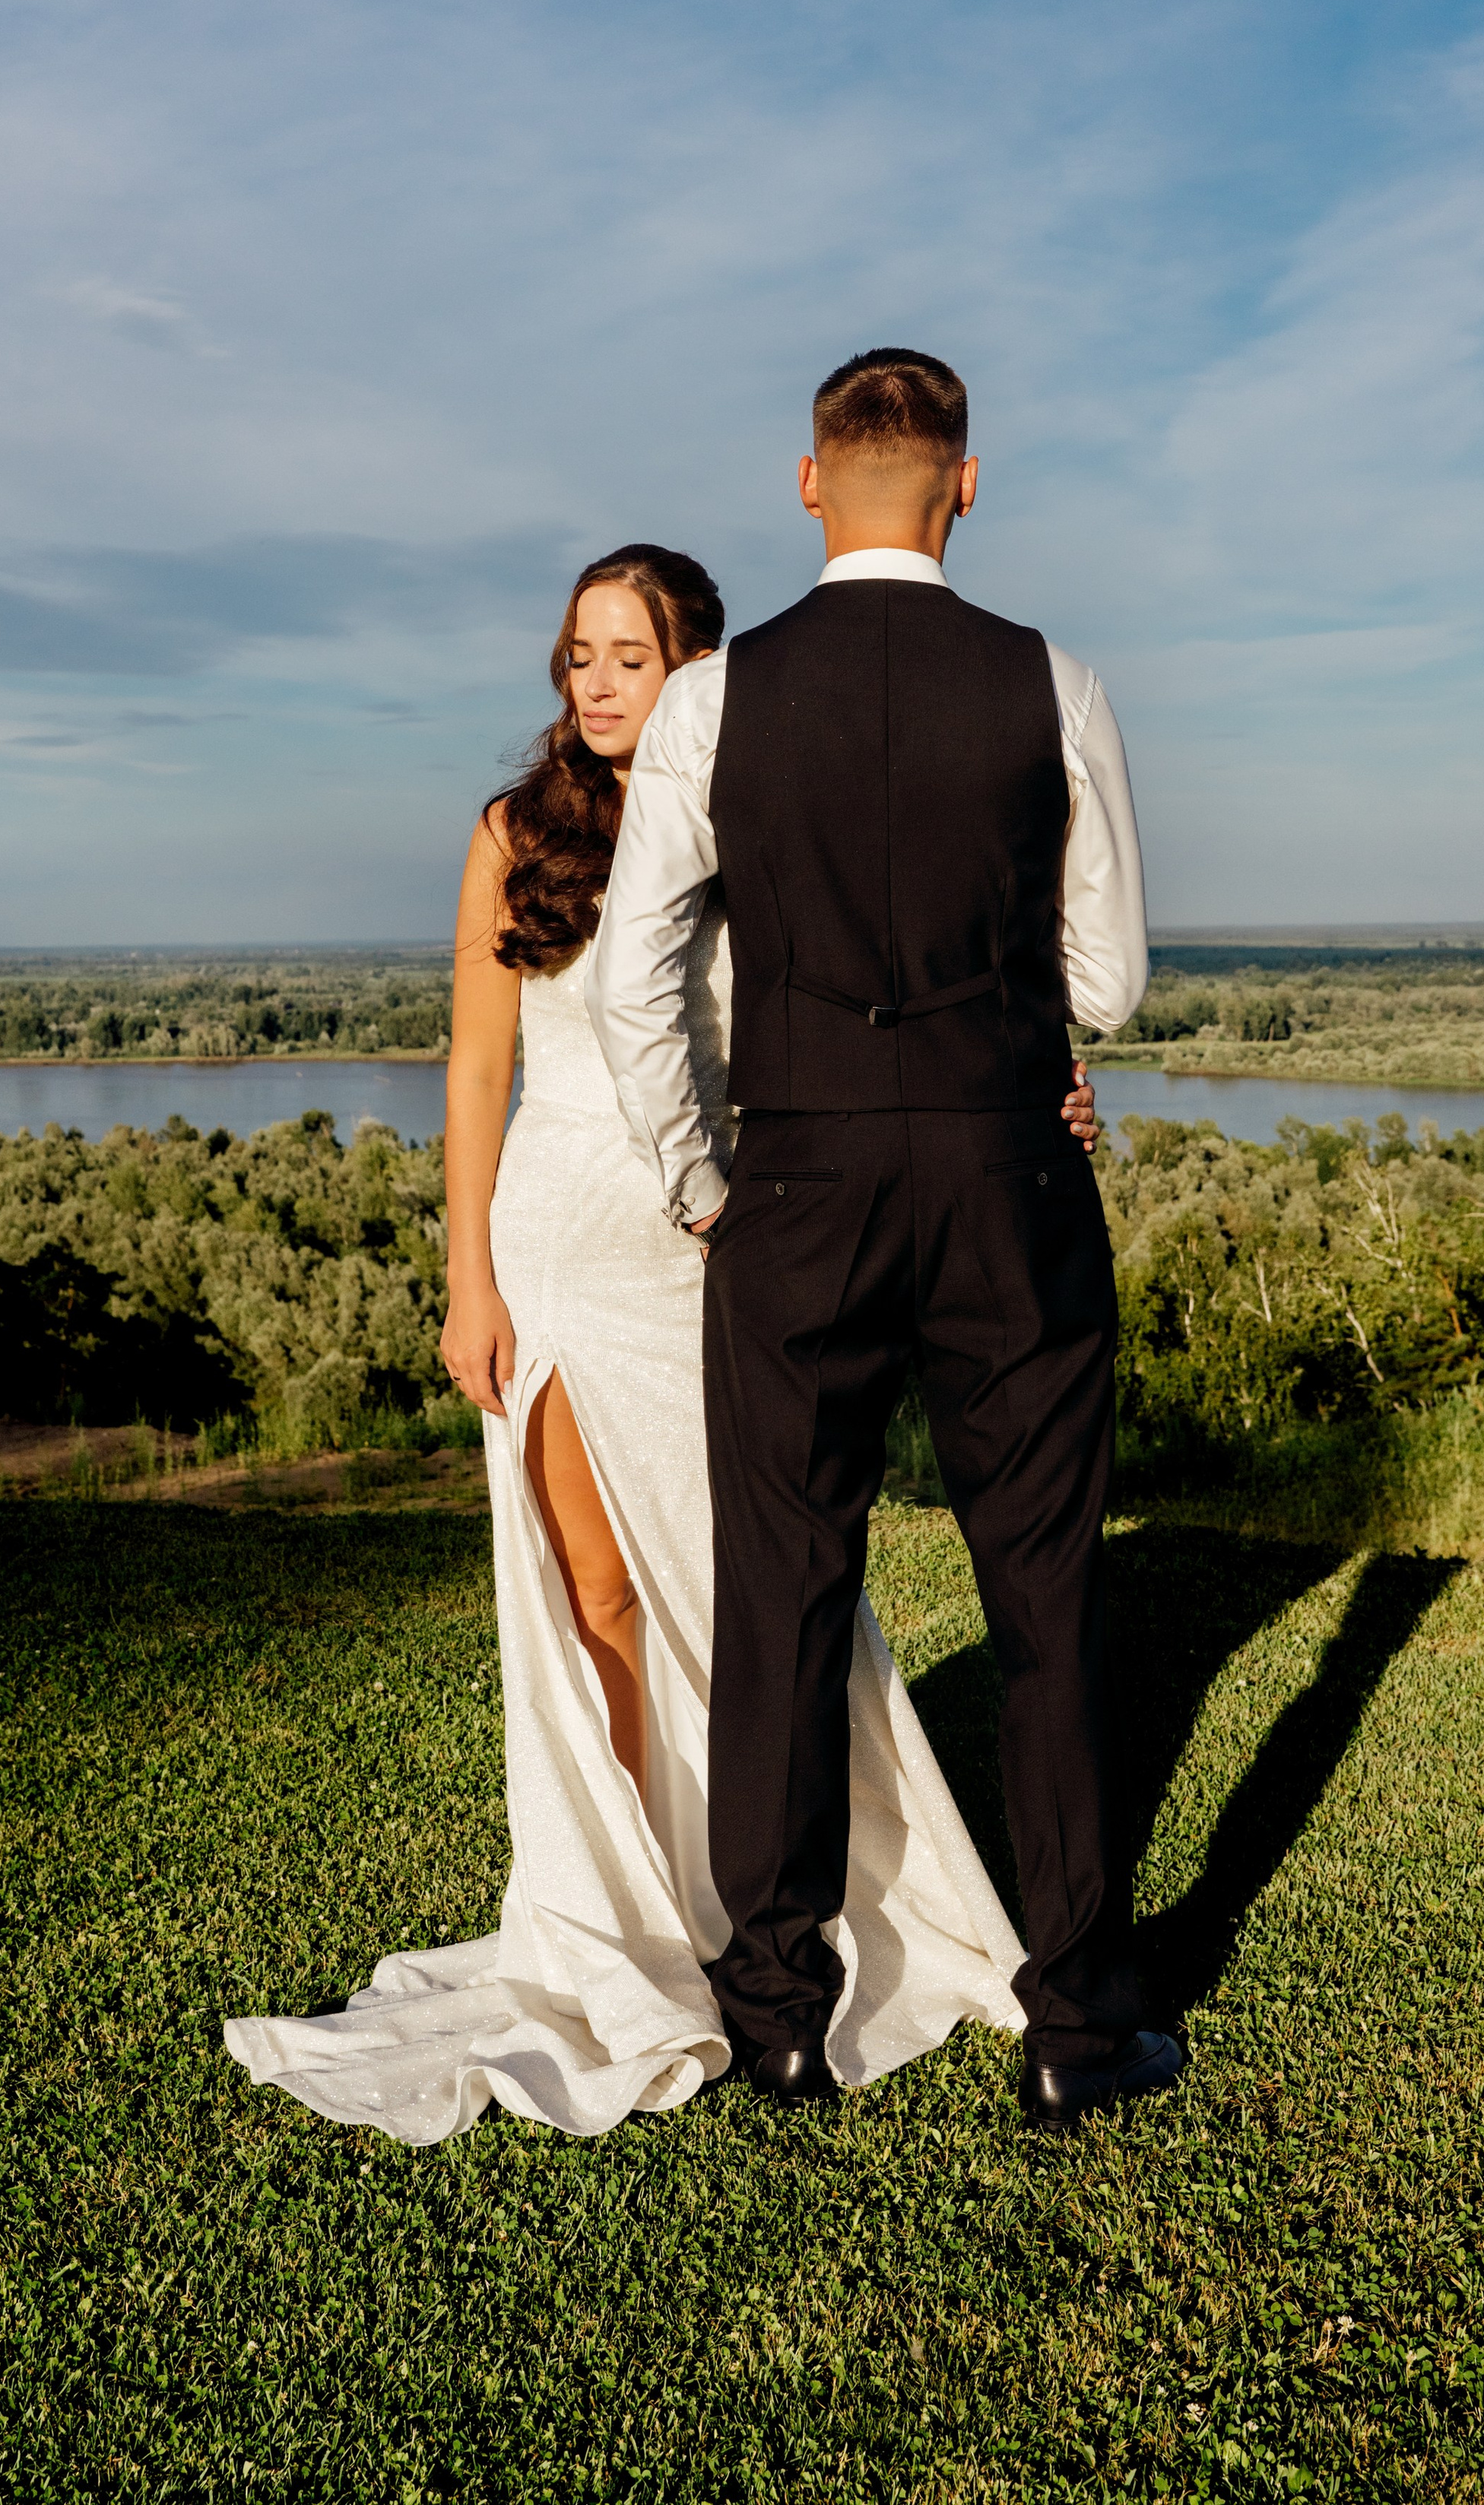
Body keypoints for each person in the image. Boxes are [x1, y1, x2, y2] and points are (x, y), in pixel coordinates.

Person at [224, 541, 1100, 2143]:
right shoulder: (514, 835)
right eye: (579, 655)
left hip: (737, 1245)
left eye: (629, 654)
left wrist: (1027, 1091)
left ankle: (776, 1903)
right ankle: (632, 1911)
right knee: (599, 1592)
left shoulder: (755, 804)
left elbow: (889, 1004)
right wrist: (467, 1278)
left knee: (769, 1591)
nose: (597, 683)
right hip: (561, 1242)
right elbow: (476, 1070)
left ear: (696, 667)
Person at [586, 352, 1185, 2131]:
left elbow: (633, 980)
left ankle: (776, 2007)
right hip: (1005, 1169)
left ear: (806, 482)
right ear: (964, 484)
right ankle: (1074, 2021)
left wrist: (703, 1181)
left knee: (780, 1588)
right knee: (1045, 1591)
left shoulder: (713, 701)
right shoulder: (1049, 679)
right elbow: (1107, 981)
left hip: (795, 1187)